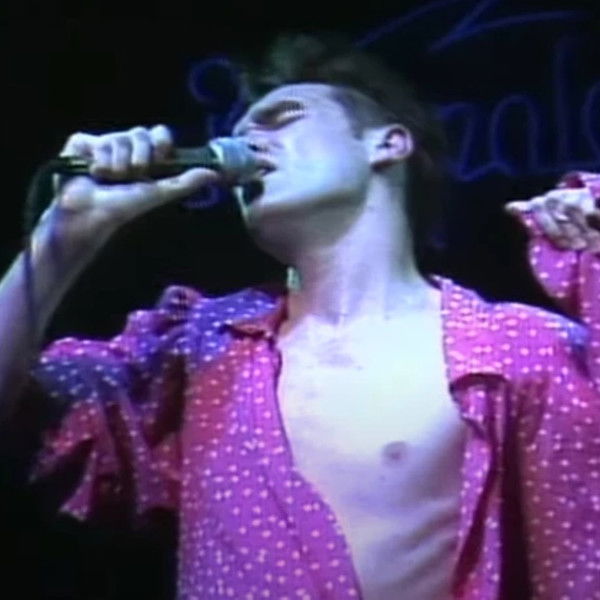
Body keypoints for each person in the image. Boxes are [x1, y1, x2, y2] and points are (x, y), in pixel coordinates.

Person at [1, 31, 599, 600]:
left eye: (283, 118)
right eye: (239, 130)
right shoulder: (198, 349)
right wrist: (64, 236)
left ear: (387, 144)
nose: (247, 140)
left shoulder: (518, 349)